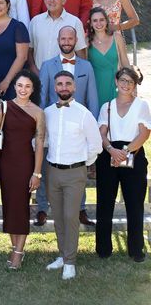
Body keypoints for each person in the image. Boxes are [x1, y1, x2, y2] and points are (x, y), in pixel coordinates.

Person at [37, 26, 100, 227]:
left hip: (77, 125)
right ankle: (41, 208)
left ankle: (80, 209)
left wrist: (93, 126)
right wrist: (41, 125)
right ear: (58, 40)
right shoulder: (47, 65)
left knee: (77, 166)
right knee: (47, 166)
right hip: (53, 123)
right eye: (63, 38)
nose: (66, 41)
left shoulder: (86, 67)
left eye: (70, 38)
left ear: (76, 40)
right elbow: (42, 96)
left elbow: (92, 99)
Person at [43, 71, 102, 280]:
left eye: (68, 83)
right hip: (52, 171)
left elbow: (95, 145)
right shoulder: (47, 112)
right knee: (58, 217)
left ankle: (70, 262)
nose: (64, 87)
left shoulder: (83, 113)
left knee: (70, 216)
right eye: (59, 84)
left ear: (74, 87)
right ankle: (62, 255)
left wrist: (81, 164)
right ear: (54, 87)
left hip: (74, 172)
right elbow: (43, 140)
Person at [0, 70, 44, 270]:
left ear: (33, 89)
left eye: (27, 86)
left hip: (26, 164)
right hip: (7, 164)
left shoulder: (38, 112)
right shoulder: (5, 106)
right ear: (14, 87)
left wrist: (37, 173)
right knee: (10, 206)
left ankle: (18, 253)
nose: (23, 89)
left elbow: (40, 144)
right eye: (19, 85)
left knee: (21, 207)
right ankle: (14, 247)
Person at [96, 66, 150, 262]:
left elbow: (144, 133)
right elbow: (101, 132)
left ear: (134, 85)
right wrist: (111, 150)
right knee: (105, 203)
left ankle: (136, 250)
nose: (126, 84)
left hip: (133, 154)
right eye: (123, 80)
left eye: (130, 81)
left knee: (134, 204)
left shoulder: (141, 105)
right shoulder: (107, 106)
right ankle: (103, 249)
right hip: (109, 154)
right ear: (116, 82)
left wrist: (125, 152)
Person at [28, 0, 87, 74]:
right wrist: (34, 70)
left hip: (65, 80)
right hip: (39, 77)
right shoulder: (35, 21)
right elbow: (29, 50)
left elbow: (81, 54)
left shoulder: (74, 22)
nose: (51, 0)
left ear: (63, 0)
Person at [87, 7, 130, 107]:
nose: (99, 23)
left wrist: (131, 84)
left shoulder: (117, 37)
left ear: (106, 21)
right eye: (95, 20)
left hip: (116, 84)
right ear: (91, 23)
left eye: (101, 20)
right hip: (95, 87)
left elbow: (125, 63)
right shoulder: (86, 42)